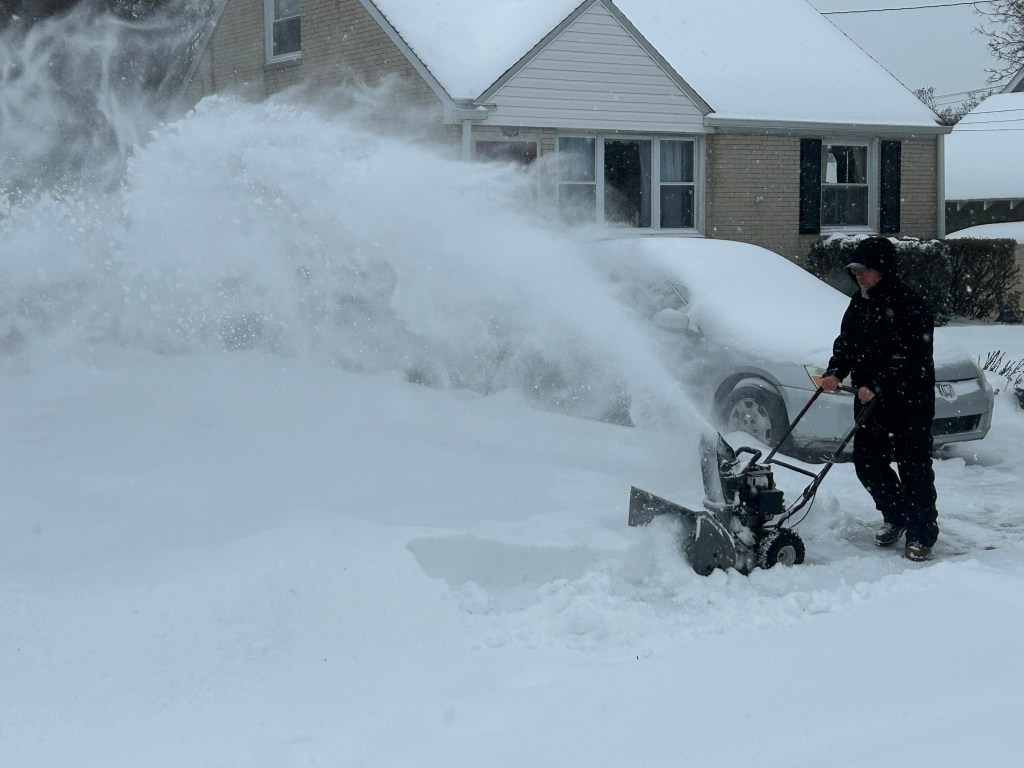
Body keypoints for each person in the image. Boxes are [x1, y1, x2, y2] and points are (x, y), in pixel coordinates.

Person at [820, 237, 938, 562]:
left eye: (864, 269)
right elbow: (847, 342)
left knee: (914, 467)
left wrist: (878, 383)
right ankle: (897, 515)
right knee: (868, 463)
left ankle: (920, 533)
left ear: (882, 270)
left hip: (908, 401)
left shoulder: (909, 304)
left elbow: (910, 356)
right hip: (870, 401)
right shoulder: (860, 302)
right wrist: (835, 371)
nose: (858, 275)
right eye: (854, 269)